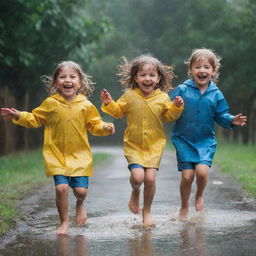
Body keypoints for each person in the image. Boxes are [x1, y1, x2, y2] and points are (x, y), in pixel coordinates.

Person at [0, 61, 115, 235]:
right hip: (56, 154)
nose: (67, 80)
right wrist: (19, 115)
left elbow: (94, 125)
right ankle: (64, 223)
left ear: (80, 83)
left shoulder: (86, 105)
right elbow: (35, 118)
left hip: (80, 156)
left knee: (80, 191)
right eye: (62, 77)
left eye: (72, 76)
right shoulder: (50, 103)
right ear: (56, 83)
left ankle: (80, 204)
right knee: (61, 188)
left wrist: (105, 127)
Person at [100, 54, 184, 226]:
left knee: (150, 179)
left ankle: (147, 211)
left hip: (154, 145)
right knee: (138, 178)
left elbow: (168, 116)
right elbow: (117, 111)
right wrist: (109, 103)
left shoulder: (162, 97)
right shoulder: (130, 96)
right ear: (136, 78)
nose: (148, 78)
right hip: (134, 144)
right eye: (143, 75)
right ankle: (135, 191)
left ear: (158, 78)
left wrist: (176, 107)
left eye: (152, 75)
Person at [169, 48, 247, 221]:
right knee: (187, 176)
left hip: (205, 140)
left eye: (206, 67)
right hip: (183, 139)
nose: (202, 70)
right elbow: (166, 109)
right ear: (190, 70)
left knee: (202, 173)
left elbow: (221, 115)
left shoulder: (216, 94)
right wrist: (174, 105)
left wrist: (231, 119)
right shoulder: (182, 89)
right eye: (197, 67)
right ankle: (183, 205)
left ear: (213, 71)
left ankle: (199, 195)